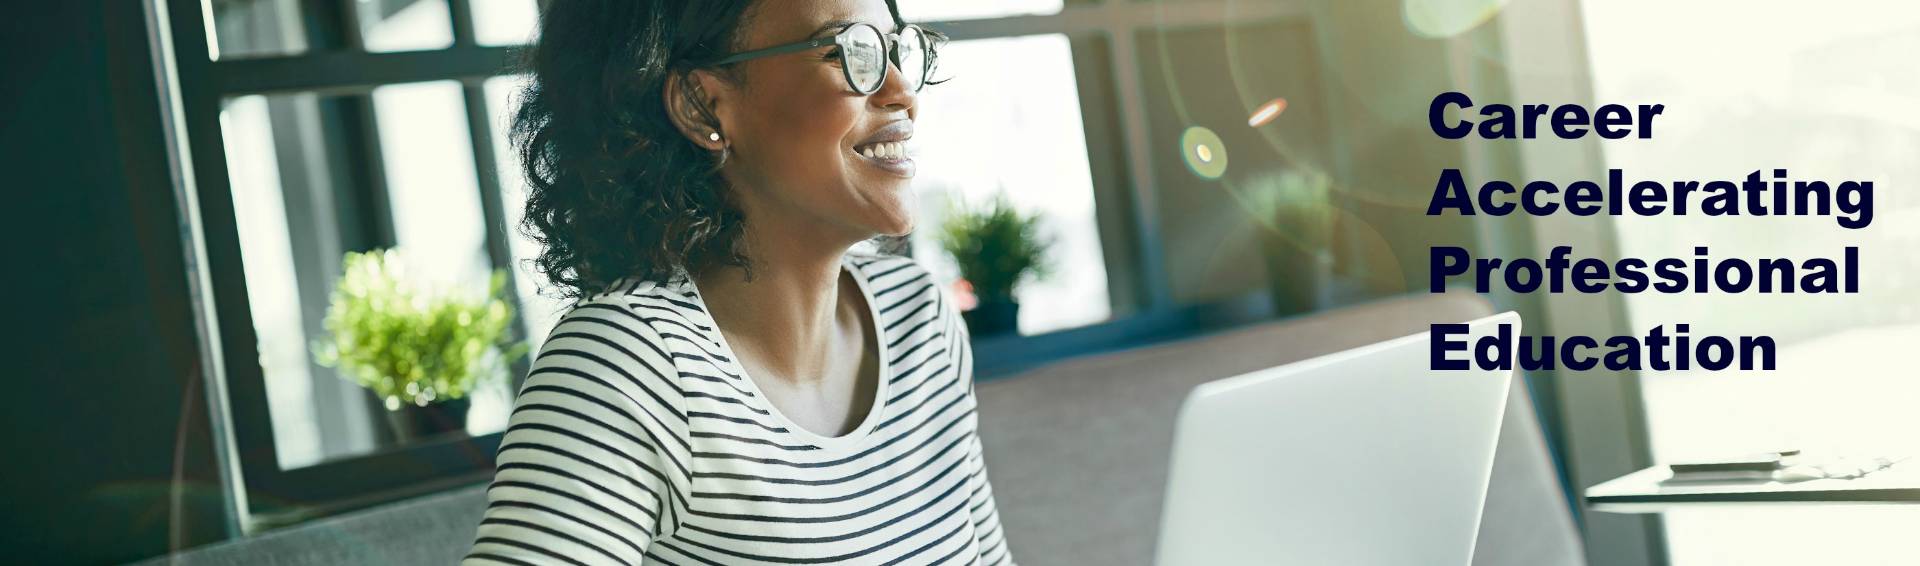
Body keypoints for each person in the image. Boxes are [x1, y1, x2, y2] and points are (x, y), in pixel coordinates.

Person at [463, 1, 1014, 564]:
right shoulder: (629, 367)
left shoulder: (916, 317)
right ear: (702, 103)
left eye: (897, 48)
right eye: (851, 51)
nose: (901, 91)